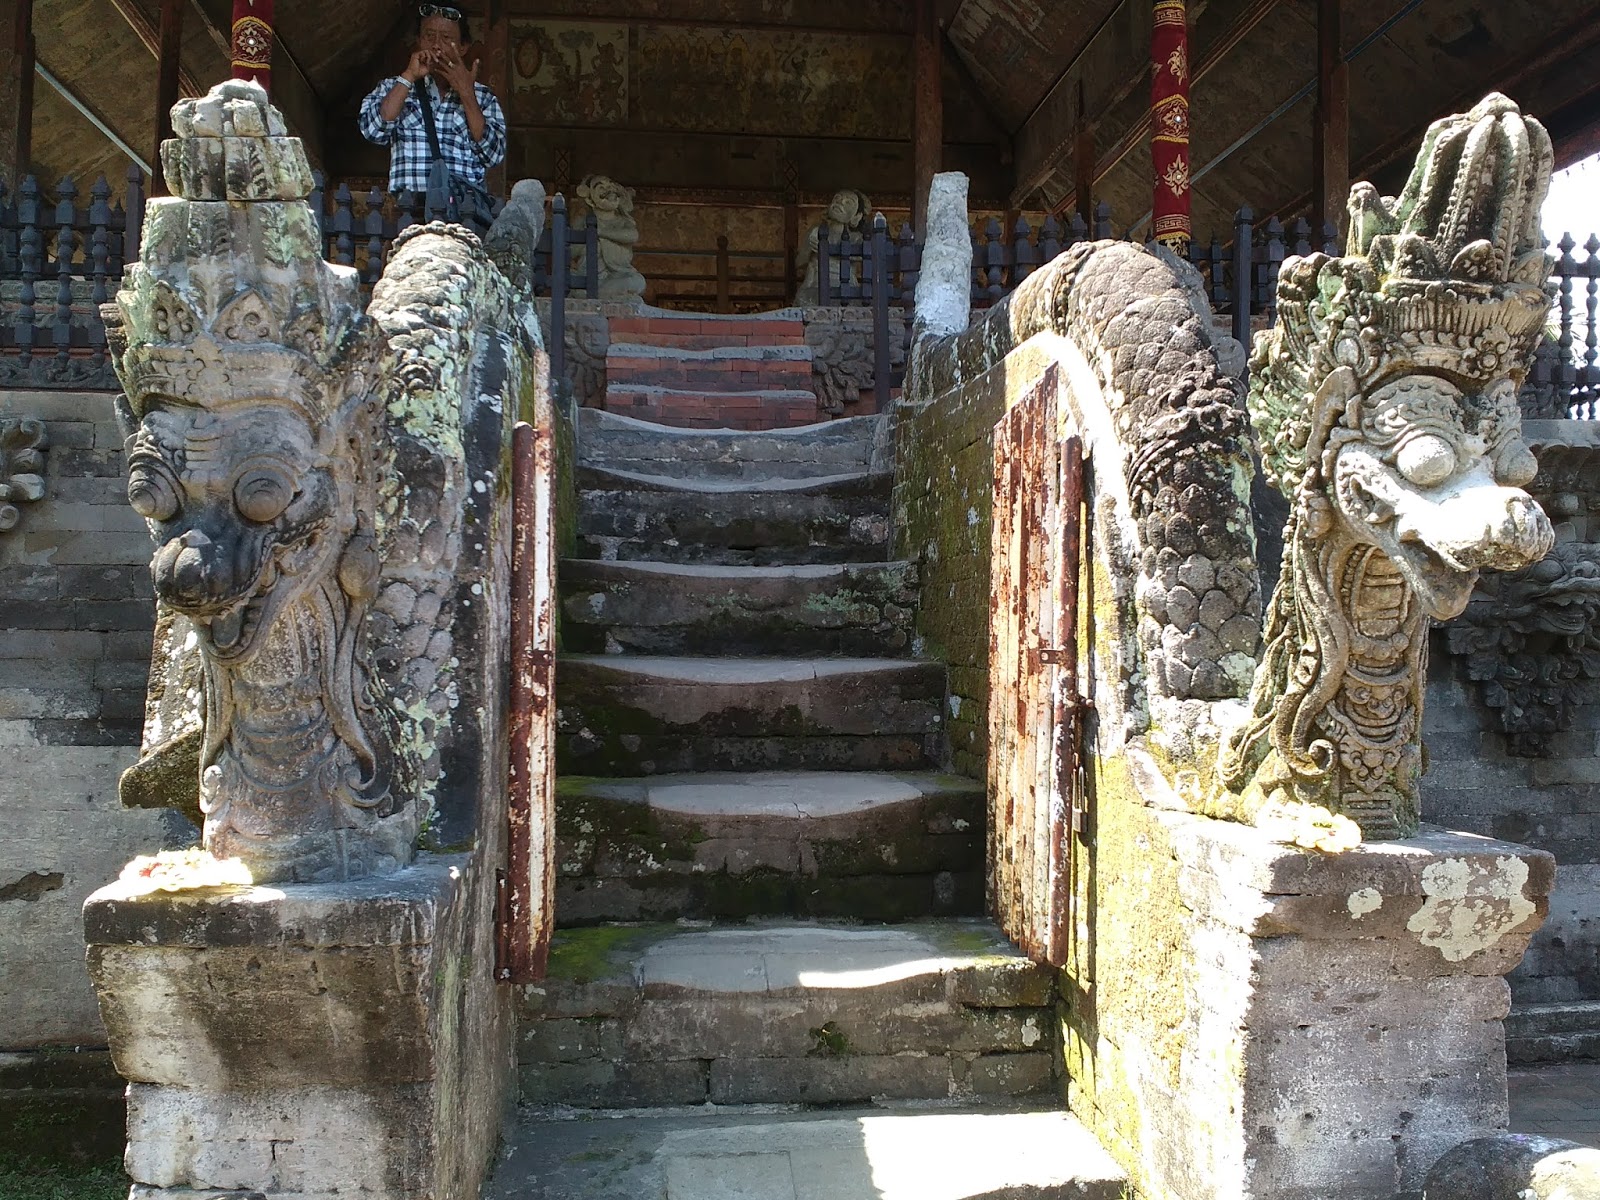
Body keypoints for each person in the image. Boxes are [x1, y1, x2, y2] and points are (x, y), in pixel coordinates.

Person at [359, 5, 507, 227]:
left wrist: (467, 93)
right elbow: (373, 129)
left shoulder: (483, 97)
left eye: (446, 38)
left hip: (463, 212)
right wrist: (409, 76)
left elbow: (493, 154)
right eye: (429, 36)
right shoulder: (394, 87)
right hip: (410, 211)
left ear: (463, 47)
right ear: (419, 41)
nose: (436, 45)